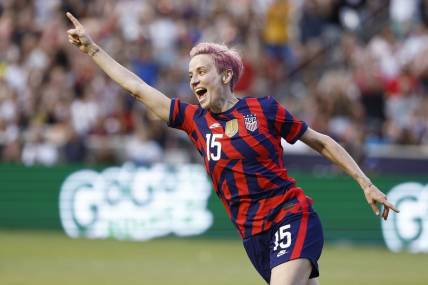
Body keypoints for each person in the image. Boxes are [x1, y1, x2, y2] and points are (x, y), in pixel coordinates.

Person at [66, 12, 399, 285]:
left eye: (201, 72)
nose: (194, 80)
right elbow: (138, 88)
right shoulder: (194, 121)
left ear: (225, 75)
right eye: (190, 75)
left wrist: (365, 182)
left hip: (291, 216)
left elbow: (320, 141)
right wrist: (93, 50)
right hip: (253, 238)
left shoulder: (264, 109)